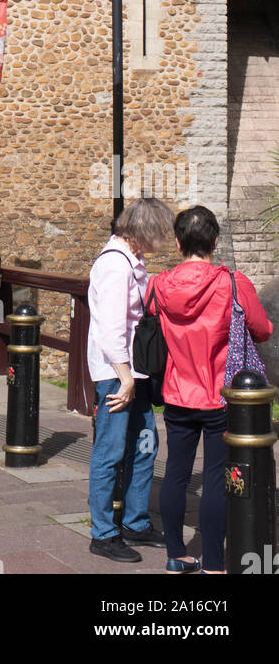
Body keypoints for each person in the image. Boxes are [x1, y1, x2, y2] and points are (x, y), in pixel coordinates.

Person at [147, 205, 273, 575]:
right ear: (215, 241)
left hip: (175, 391)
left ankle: (176, 554)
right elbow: (263, 328)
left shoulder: (158, 285)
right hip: (220, 395)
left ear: (177, 242)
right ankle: (215, 564)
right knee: (217, 477)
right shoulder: (233, 283)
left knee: (175, 473)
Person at [87, 195, 175, 564]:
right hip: (116, 372)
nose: (163, 241)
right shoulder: (114, 266)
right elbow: (110, 329)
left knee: (144, 446)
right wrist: (124, 378)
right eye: (160, 233)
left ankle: (136, 522)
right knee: (109, 451)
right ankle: (103, 532)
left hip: (133, 371)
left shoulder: (130, 262)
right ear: (145, 231)